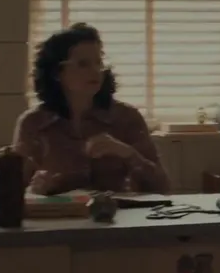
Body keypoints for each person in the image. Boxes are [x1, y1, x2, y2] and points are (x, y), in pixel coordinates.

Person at [12, 23, 171, 195]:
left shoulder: (126, 117)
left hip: (116, 211)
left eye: (98, 62)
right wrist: (35, 190)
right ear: (57, 73)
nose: (95, 71)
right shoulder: (33, 123)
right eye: (83, 64)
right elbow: (12, 191)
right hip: (60, 212)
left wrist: (128, 154)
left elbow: (162, 188)